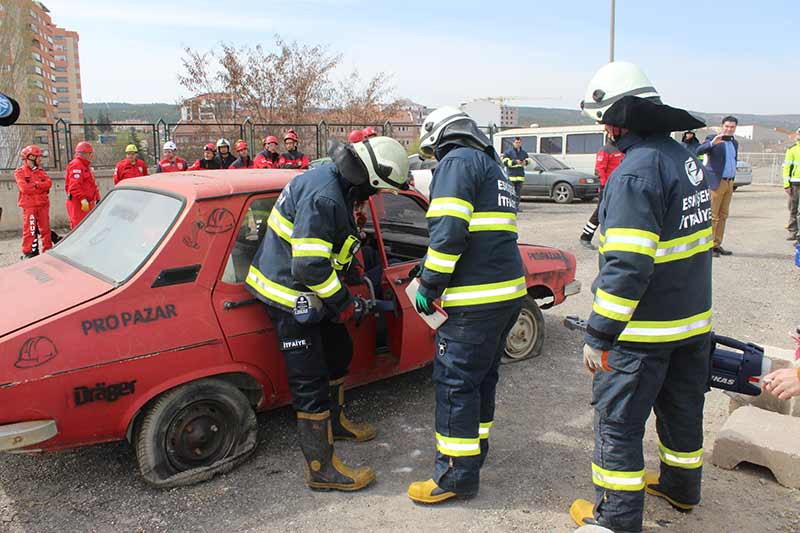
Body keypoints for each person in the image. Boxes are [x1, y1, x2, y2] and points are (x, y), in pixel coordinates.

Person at [569, 61, 710, 533]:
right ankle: (681, 488)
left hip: (641, 334)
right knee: (682, 411)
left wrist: (600, 334)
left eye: (604, 122)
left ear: (616, 121)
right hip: (691, 326)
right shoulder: (681, 158)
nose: (604, 132)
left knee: (618, 424)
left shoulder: (636, 171)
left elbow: (627, 265)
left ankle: (615, 519)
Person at [245, 136, 410, 492]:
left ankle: (337, 423)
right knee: (310, 382)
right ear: (368, 178)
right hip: (290, 295)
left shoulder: (335, 182)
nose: (375, 196)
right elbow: (309, 269)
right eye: (377, 190)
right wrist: (346, 304)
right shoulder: (325, 197)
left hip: (313, 293)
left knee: (339, 353)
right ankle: (321, 469)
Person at [406, 106, 525, 504]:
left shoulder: (456, 162)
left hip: (474, 301)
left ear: (439, 138)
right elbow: (481, 234)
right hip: (506, 296)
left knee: (456, 385)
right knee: (481, 380)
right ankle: (473, 457)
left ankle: (455, 476)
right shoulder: (494, 167)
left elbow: (449, 231)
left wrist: (428, 281)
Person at [697, 116, 739, 257]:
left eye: (732, 127)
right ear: (722, 126)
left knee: (723, 215)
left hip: (729, 182)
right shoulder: (712, 138)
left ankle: (717, 244)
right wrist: (712, 144)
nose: (729, 129)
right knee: (713, 215)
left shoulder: (735, 143)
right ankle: (708, 245)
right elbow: (698, 150)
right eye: (727, 126)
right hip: (716, 181)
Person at [579, 141, 625, 248]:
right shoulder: (605, 150)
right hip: (607, 187)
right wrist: (605, 186)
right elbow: (600, 169)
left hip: (619, 186)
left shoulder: (623, 148)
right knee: (600, 212)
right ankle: (586, 236)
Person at [14, 145, 52, 258]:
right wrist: (40, 187)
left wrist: (35, 185)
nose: (40, 159)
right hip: (29, 206)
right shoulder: (20, 172)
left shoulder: (41, 171)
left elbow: (48, 183)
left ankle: (48, 251)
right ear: (30, 157)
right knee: (30, 230)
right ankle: (29, 253)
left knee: (45, 229)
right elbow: (24, 189)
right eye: (38, 156)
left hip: (43, 205)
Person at [65, 141, 100, 229]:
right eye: (90, 154)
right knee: (79, 228)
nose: (91, 156)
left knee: (88, 228)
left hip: (87, 203)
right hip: (78, 203)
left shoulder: (85, 166)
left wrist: (97, 197)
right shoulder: (76, 165)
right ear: (84, 154)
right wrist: (82, 199)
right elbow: (74, 186)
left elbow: (91, 183)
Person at [501, 137, 529, 211]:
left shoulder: (523, 152)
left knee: (518, 194)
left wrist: (525, 162)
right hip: (511, 176)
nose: (518, 144)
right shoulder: (508, 152)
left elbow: (528, 160)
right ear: (513, 143)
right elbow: (504, 162)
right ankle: (510, 207)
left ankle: (516, 207)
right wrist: (515, 162)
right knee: (510, 193)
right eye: (516, 142)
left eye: (519, 142)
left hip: (520, 176)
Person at [782, 128, 800, 242]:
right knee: (793, 208)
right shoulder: (792, 150)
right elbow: (787, 168)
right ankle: (793, 231)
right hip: (795, 184)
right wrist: (786, 185)